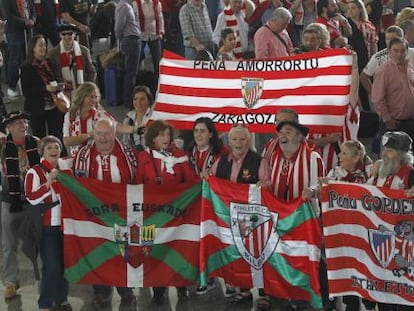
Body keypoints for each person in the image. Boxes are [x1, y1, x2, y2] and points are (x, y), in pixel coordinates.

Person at [73, 118, 137, 309]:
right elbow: (77, 185)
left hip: (122, 215)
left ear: (114, 133)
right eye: (99, 133)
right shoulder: (83, 155)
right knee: (98, 254)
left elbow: (137, 181)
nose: (103, 138)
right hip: (96, 217)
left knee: (123, 253)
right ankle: (100, 292)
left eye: (107, 133)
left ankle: (126, 292)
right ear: (93, 134)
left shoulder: (128, 154)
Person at [304, 139, 372, 311]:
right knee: (342, 263)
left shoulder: (369, 174)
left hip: (361, 230)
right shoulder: (335, 172)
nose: (339, 156)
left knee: (361, 265)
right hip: (339, 228)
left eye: (344, 153)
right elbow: (321, 187)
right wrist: (314, 190)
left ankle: (367, 301)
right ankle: (348, 303)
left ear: (356, 157)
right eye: (340, 152)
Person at [136, 120, 198, 305]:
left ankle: (181, 287)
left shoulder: (180, 156)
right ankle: (158, 290)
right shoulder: (143, 157)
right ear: (152, 138)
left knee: (177, 251)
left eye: (167, 134)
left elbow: (192, 182)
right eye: (161, 134)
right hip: (152, 215)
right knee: (155, 253)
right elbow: (137, 185)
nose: (165, 138)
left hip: (176, 215)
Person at [209, 125, 270, 309]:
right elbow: (210, 178)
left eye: (242, 139)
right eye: (234, 139)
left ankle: (263, 294)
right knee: (237, 253)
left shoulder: (259, 161)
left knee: (257, 254)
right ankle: (243, 290)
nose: (238, 143)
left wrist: (263, 185)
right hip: (228, 217)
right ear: (229, 141)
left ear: (249, 141)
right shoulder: (220, 161)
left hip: (252, 219)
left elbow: (267, 183)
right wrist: (206, 177)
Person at [268, 120, 325, 311]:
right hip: (281, 220)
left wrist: (312, 190)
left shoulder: (313, 158)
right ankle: (293, 299)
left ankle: (320, 300)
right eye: (281, 132)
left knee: (311, 259)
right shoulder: (275, 158)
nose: (283, 136)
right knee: (286, 258)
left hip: (305, 220)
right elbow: (272, 183)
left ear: (300, 137)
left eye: (288, 132)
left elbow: (323, 186)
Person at [366, 131, 414, 311]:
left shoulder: (411, 175)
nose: (384, 154)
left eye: (391, 151)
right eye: (384, 149)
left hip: (404, 251)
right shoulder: (378, 172)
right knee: (384, 301)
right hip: (380, 247)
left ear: (403, 156)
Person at [24, 135, 71, 311]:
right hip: (46, 227)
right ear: (42, 151)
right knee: (52, 266)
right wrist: (48, 183)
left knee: (64, 265)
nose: (54, 151)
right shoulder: (34, 172)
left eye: (57, 147)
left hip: (65, 225)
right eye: (49, 147)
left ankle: (61, 298)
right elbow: (31, 197)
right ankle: (45, 303)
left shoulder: (65, 169)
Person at [1, 111, 40, 299]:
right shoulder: (2, 146)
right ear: (8, 127)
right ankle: (11, 281)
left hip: (34, 200)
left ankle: (42, 279)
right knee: (9, 244)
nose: (23, 126)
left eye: (24, 122)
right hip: (9, 200)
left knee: (38, 241)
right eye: (17, 123)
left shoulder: (36, 143)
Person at [63, 82, 139, 157]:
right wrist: (89, 135)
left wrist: (136, 129)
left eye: (96, 97)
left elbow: (119, 127)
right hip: (77, 158)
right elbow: (66, 141)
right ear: (82, 97)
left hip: (96, 158)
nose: (94, 100)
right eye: (91, 97)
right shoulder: (70, 116)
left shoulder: (100, 115)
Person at [21, 34, 64, 141]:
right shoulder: (26, 67)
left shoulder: (48, 63)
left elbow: (54, 79)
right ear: (33, 48)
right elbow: (26, 91)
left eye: (44, 45)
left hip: (54, 105)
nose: (43, 48)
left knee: (57, 136)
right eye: (40, 45)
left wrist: (58, 86)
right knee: (40, 138)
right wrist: (45, 89)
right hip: (37, 108)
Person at [371, 37, 414, 140]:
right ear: (389, 52)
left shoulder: (409, 67)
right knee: (394, 154)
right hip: (395, 123)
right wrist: (387, 119)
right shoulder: (384, 70)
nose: (399, 54)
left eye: (402, 50)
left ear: (407, 51)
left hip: (410, 121)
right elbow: (377, 98)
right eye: (396, 50)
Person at [47, 23, 96, 100]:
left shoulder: (83, 51)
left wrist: (87, 89)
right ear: (60, 35)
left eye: (70, 33)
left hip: (82, 93)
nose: (67, 36)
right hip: (62, 95)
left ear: (74, 34)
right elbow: (50, 75)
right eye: (63, 34)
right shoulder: (52, 53)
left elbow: (91, 71)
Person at [346, 0, 377, 111]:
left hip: (367, 59)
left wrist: (374, 61)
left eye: (353, 8)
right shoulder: (345, 26)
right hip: (352, 61)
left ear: (360, 9)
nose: (350, 10)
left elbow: (373, 45)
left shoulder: (368, 25)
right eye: (348, 8)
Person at [3, 0, 35, 98]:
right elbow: (7, 15)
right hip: (14, 32)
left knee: (28, 57)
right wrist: (24, 22)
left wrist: (32, 19)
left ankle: (28, 83)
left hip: (28, 31)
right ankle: (12, 87)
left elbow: (32, 9)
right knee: (14, 60)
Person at [114, 0, 142, 107]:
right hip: (130, 40)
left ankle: (130, 99)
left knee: (132, 71)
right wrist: (119, 41)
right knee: (131, 72)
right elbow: (118, 26)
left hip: (132, 40)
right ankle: (128, 100)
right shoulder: (123, 6)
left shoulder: (126, 6)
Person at [135, 0, 165, 77]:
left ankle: (158, 81)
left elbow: (160, 17)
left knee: (157, 60)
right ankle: (137, 81)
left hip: (154, 34)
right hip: (141, 35)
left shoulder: (157, 3)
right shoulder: (135, 4)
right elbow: (134, 21)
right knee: (137, 59)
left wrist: (161, 32)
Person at [122, 85, 153, 150]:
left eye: (142, 99)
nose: (138, 102)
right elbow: (126, 142)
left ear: (149, 101)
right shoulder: (128, 118)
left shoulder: (154, 118)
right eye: (135, 99)